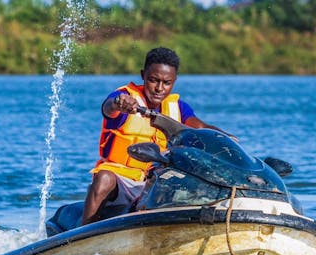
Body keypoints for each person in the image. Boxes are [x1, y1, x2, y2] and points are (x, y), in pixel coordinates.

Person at [81, 47, 233, 225]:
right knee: (104, 177)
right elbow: (108, 108)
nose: (159, 88)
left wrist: (227, 140)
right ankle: (81, 236)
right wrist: (117, 103)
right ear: (143, 75)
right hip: (121, 181)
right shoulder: (125, 98)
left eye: (166, 83)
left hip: (157, 183)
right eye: (153, 80)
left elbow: (200, 127)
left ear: (174, 81)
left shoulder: (178, 108)